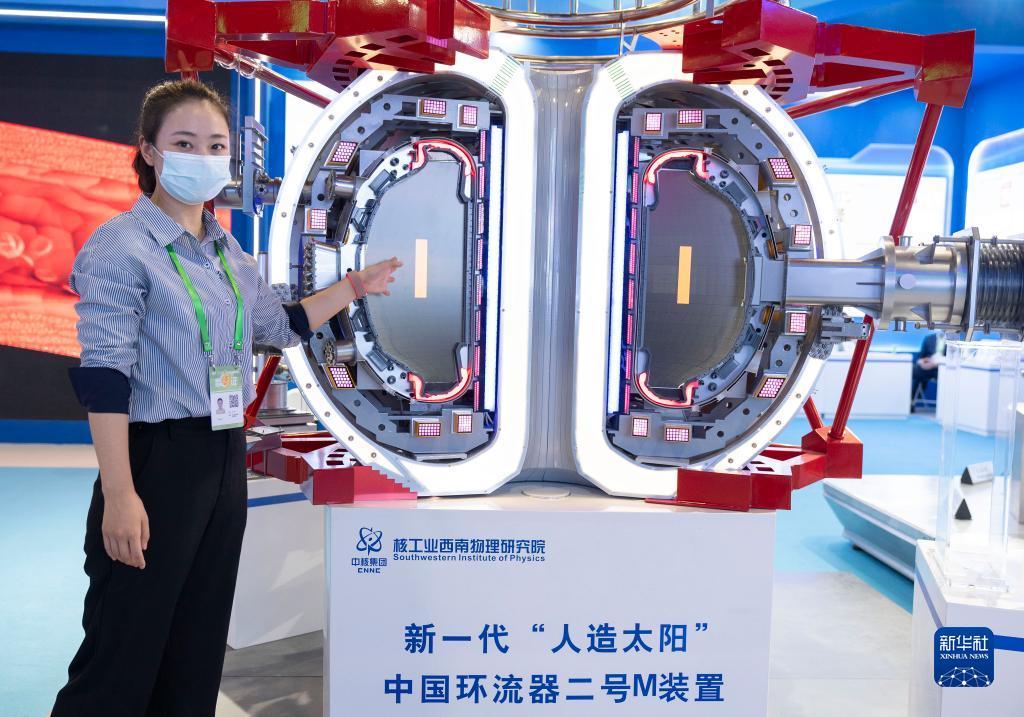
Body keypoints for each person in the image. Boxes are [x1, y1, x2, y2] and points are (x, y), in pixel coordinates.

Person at [51, 79, 402, 717]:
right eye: (185, 143)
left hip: (221, 457)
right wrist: (121, 494)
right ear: (149, 151)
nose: (203, 157)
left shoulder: (225, 250)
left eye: (215, 145)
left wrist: (355, 286)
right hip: (154, 461)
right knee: (123, 653)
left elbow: (278, 326)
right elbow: (105, 378)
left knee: (197, 647)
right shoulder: (120, 247)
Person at [911, 330, 945, 411]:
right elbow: (920, 357)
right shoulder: (928, 338)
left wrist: (936, 363)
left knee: (921, 375)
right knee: (915, 371)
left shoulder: (953, 340)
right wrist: (923, 363)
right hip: (926, 368)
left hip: (942, 369)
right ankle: (910, 402)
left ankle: (944, 406)